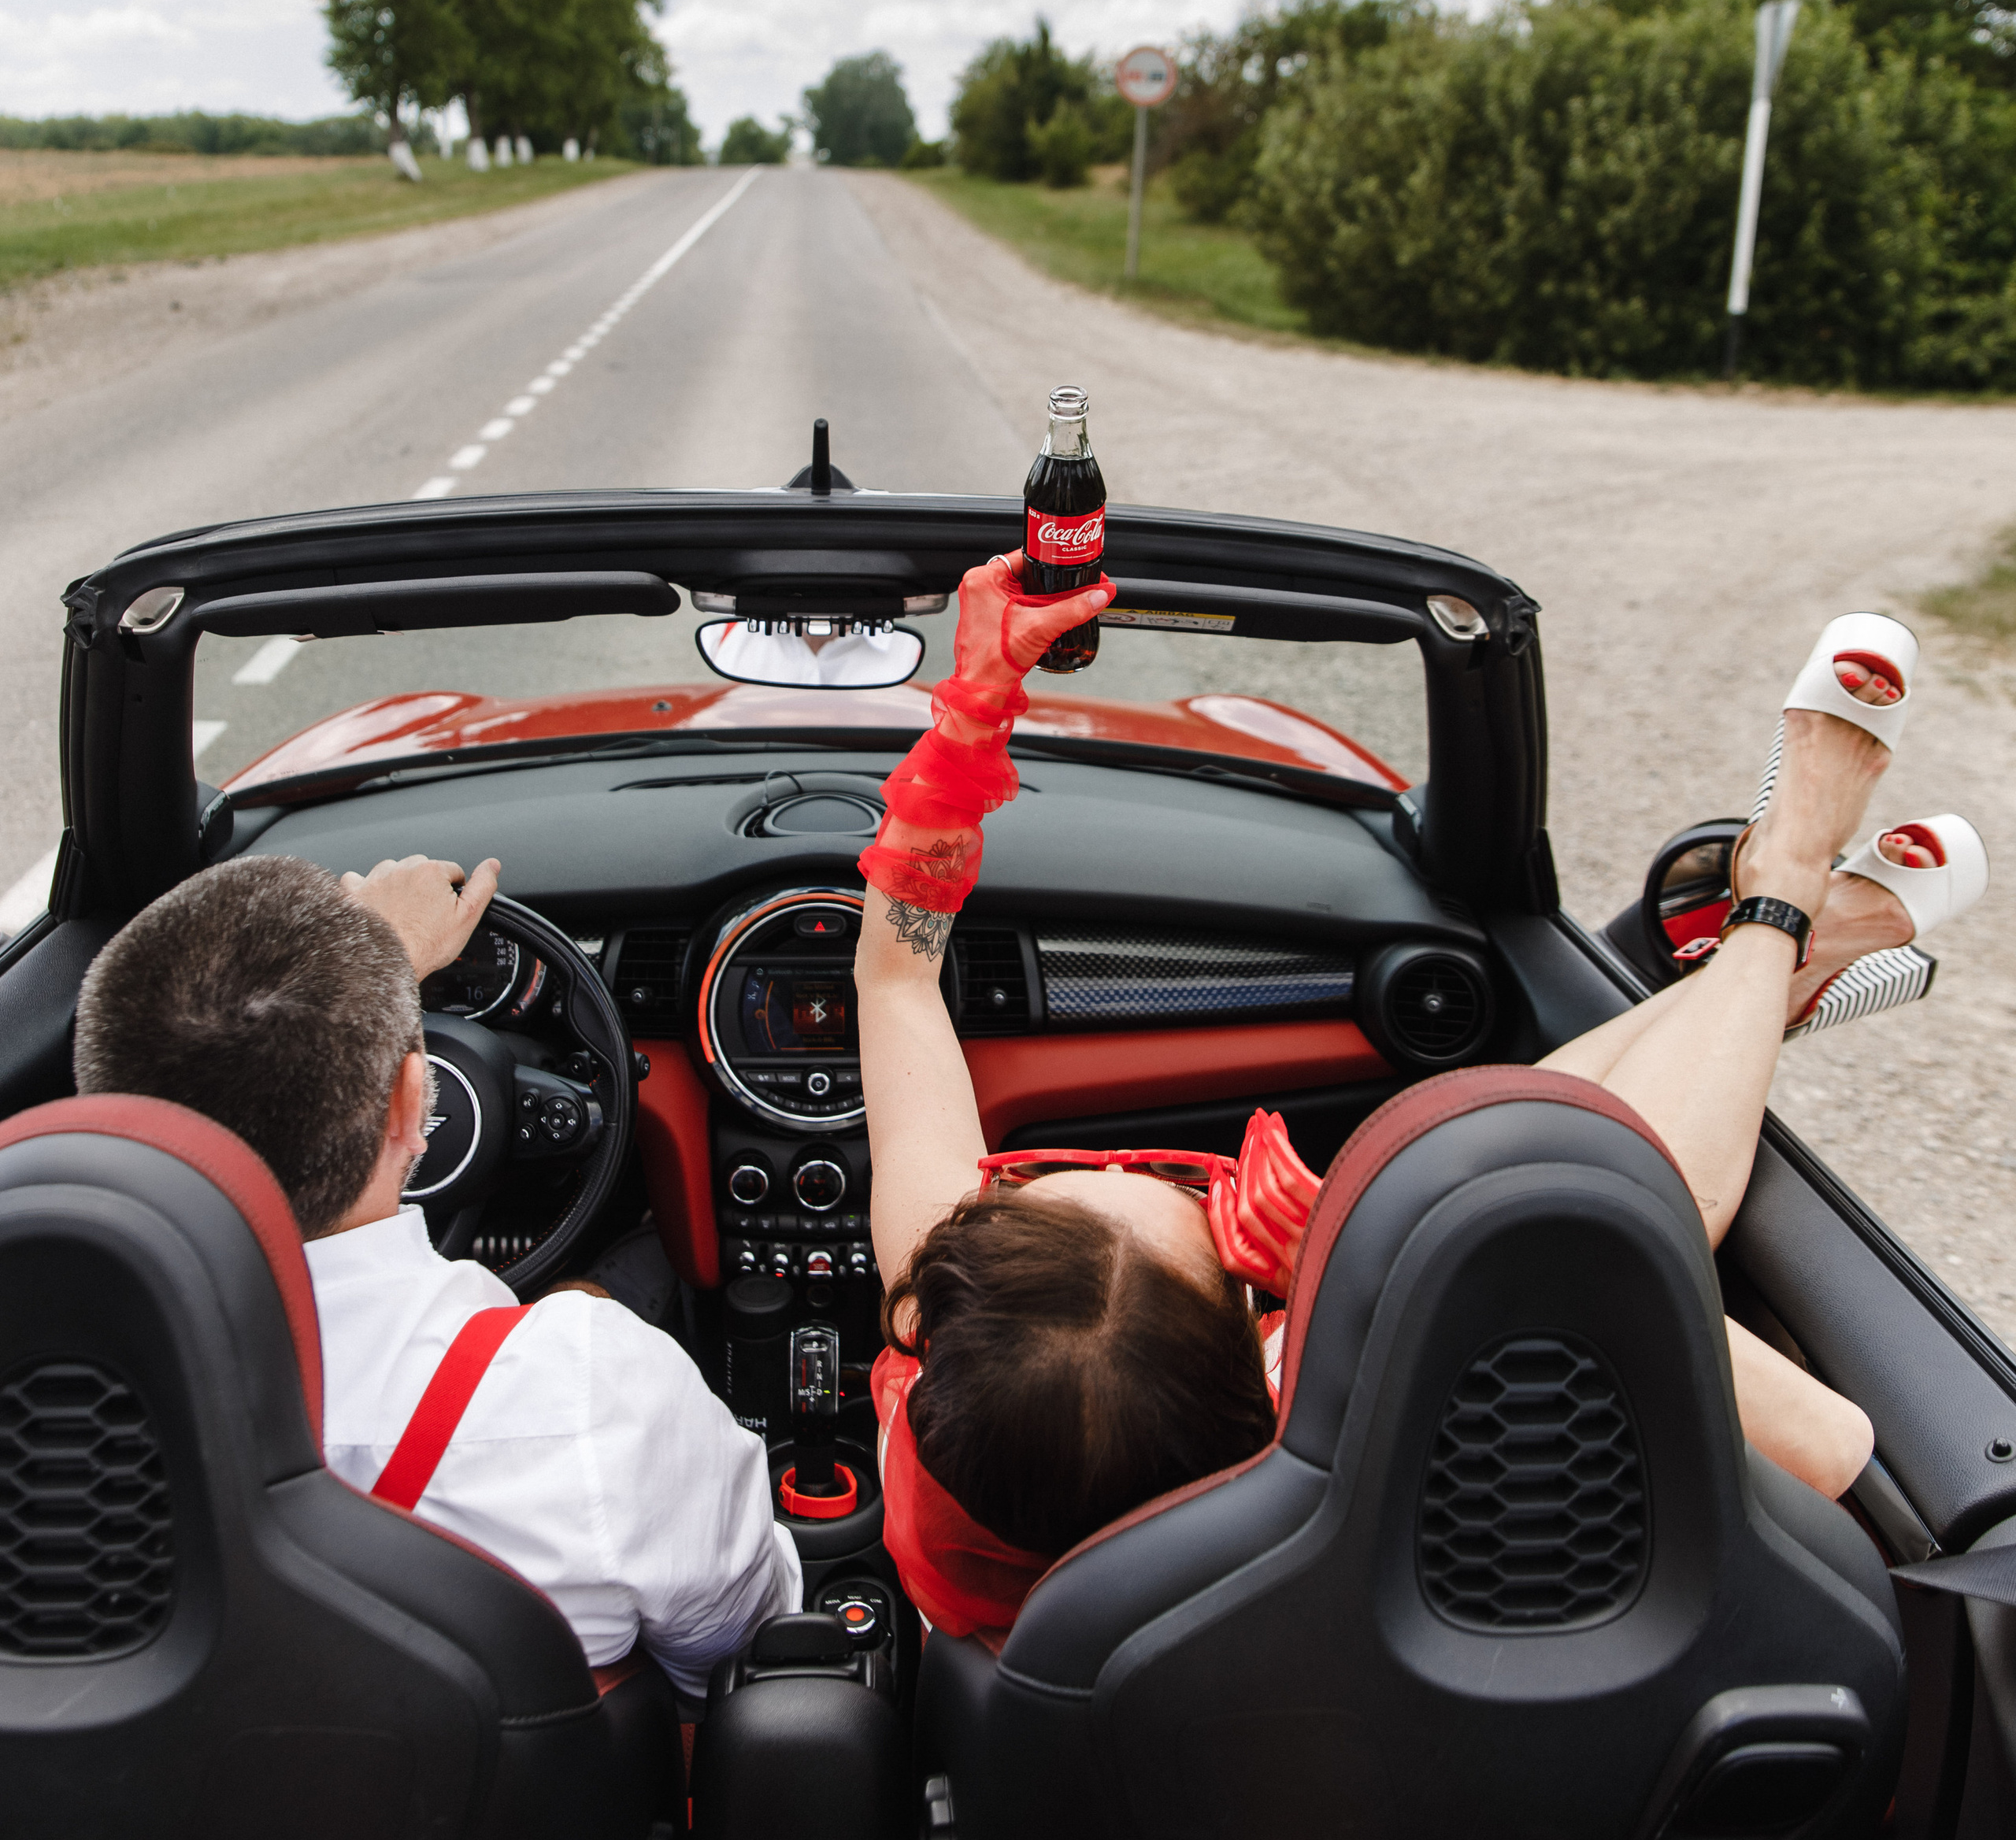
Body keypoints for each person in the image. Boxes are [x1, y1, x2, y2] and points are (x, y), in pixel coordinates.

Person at [854, 556, 1978, 1642]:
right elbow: (1833, 1447)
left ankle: (1769, 969)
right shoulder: (1329, 1445)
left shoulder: (966, 1373)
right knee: (1544, 1194)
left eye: (1025, 1194)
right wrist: (1364, 1266)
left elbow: (899, 974)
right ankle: (1781, 894)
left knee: (1471, 1169)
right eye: (1210, 1235)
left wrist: (977, 702)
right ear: (1263, 1375)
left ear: (930, 1322)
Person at [72, 848, 799, 1694]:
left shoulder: (56, 1407)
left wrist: (357, 979)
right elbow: (738, 1652)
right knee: (616, 1282)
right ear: (417, 1100)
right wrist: (368, 977)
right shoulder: (593, 1393)